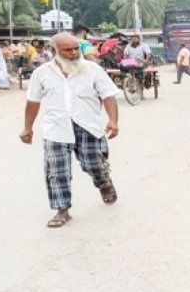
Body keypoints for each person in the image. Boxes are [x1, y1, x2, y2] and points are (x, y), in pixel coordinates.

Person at [19, 32, 120, 228]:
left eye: (76, 48)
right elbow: (33, 101)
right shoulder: (42, 73)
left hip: (88, 126)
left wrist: (113, 121)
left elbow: (108, 96)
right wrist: (27, 128)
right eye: (68, 50)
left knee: (95, 164)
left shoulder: (92, 70)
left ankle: (104, 183)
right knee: (56, 171)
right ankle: (62, 210)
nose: (74, 53)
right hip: (56, 128)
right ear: (54, 51)